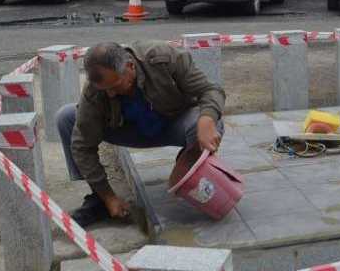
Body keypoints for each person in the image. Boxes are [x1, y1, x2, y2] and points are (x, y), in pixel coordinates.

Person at [57, 41, 225, 227]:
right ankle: (98, 200)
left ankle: (196, 179)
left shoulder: (163, 58)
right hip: (129, 131)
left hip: (173, 123)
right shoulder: (96, 90)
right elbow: (83, 147)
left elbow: (211, 90)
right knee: (66, 117)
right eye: (106, 90)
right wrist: (108, 196)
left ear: (130, 66)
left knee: (206, 120)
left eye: (116, 85)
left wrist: (207, 119)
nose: (111, 94)